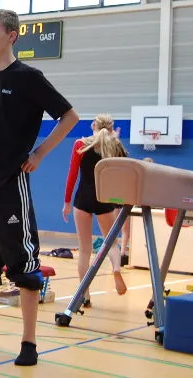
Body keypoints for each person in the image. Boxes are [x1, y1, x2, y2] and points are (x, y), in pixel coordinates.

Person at [0, 9, 79, 367]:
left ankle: (29, 342)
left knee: (23, 262)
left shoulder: (29, 78)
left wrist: (39, 153)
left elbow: (70, 116)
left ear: (12, 35)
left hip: (11, 181)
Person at [63, 113, 129, 306]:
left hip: (83, 198)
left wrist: (67, 202)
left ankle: (85, 295)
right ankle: (116, 268)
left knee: (84, 250)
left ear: (93, 126)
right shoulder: (115, 146)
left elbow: (72, 174)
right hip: (104, 199)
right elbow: (123, 173)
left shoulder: (80, 144)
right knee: (111, 243)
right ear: (111, 128)